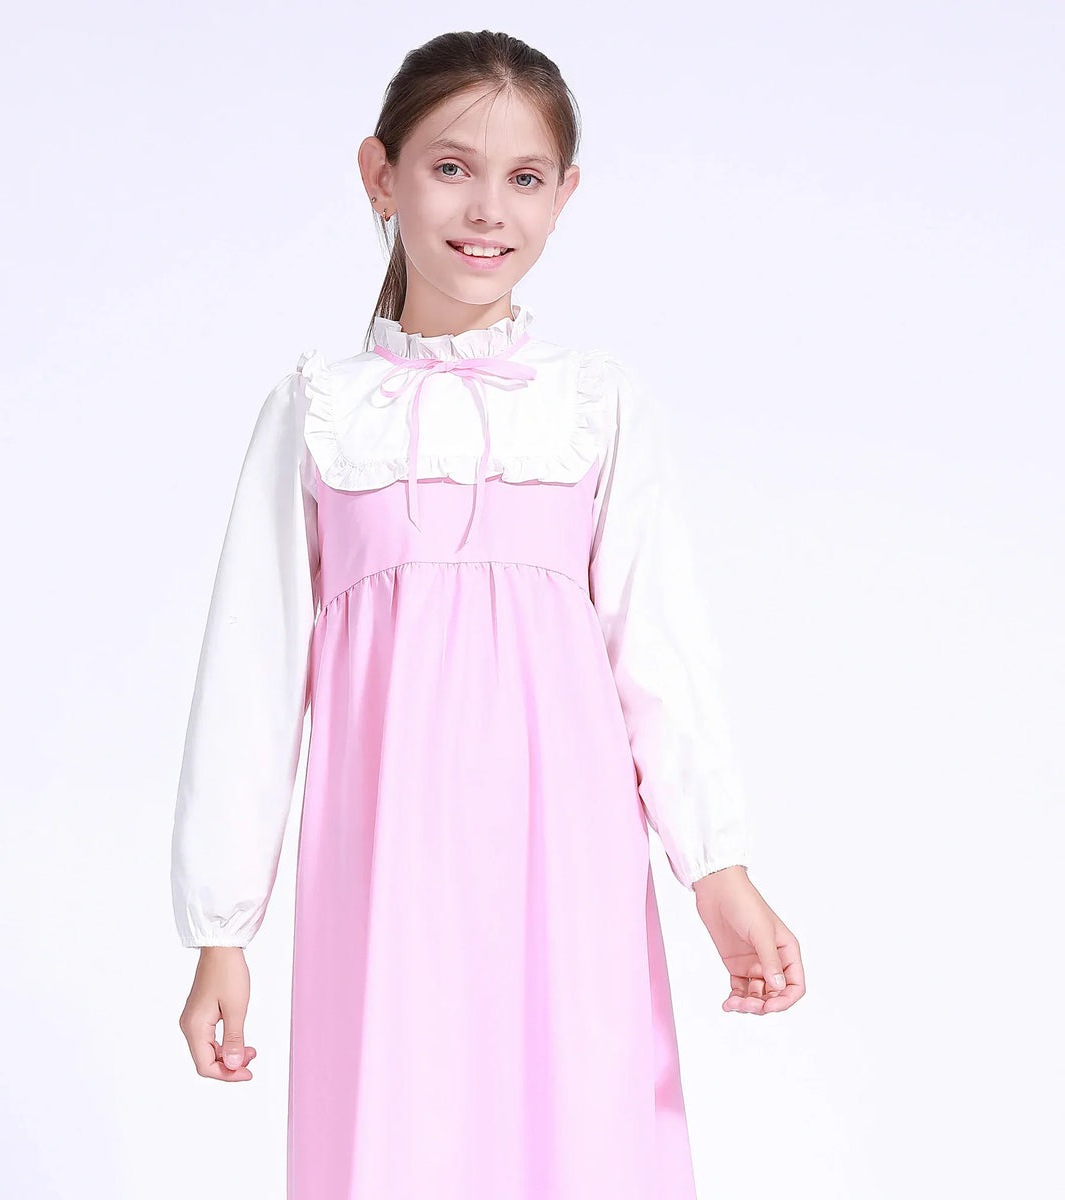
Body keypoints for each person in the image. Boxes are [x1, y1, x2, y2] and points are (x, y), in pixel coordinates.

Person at [171, 29, 804, 1199]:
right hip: (383, 873)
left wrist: (716, 868)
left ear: (566, 196)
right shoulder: (318, 412)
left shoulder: (594, 405)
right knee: (394, 1139)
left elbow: (659, 656)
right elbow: (248, 684)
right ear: (381, 174)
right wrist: (222, 928)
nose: (486, 209)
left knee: (581, 1135)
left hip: (568, 865)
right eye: (451, 167)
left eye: (524, 177)